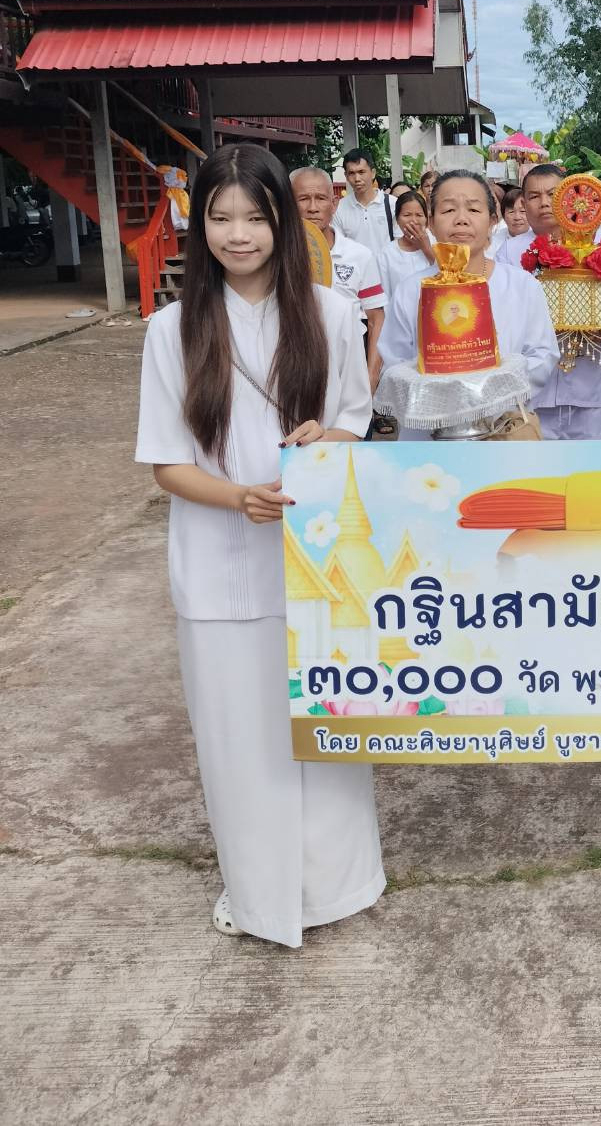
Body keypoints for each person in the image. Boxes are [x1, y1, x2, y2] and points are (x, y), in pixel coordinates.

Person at [134, 144, 383, 948]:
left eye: (254, 216)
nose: (238, 235)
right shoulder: (170, 330)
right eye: (219, 216)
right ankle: (261, 896)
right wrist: (235, 495)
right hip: (216, 571)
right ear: (196, 221)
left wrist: (328, 441)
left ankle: (339, 884)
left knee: (323, 728)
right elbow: (168, 462)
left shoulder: (332, 314)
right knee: (240, 741)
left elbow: (355, 415)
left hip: (315, 566)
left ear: (284, 218)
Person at [377, 170, 559, 437]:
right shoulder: (412, 290)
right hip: (427, 437)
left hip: (503, 430)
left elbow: (543, 356)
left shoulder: (522, 286)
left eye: (473, 210)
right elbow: (394, 363)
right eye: (449, 210)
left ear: (492, 220)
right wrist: (445, 392)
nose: (461, 220)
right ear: (431, 222)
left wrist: (485, 389)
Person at [496, 163, 601, 441]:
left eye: (552, 194)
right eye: (534, 196)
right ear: (523, 202)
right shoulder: (510, 251)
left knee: (591, 471)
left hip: (588, 382)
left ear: (569, 196)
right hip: (532, 389)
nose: (545, 203)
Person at [290, 166, 385, 383]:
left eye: (321, 199)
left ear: (334, 204)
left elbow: (376, 319)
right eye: (303, 199)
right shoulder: (276, 256)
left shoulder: (359, 255)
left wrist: (370, 377)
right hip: (296, 367)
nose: (312, 208)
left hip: (349, 365)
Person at [377, 188, 438, 302]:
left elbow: (446, 277)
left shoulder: (438, 245)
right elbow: (385, 295)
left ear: (426, 219)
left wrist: (426, 248)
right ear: (398, 219)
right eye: (407, 215)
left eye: (419, 215)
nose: (413, 220)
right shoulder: (387, 254)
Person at [334, 149, 396, 256]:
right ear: (346, 176)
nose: (357, 178)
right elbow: (339, 247)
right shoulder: (339, 208)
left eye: (361, 172)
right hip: (357, 271)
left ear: (373, 173)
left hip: (387, 271)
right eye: (351, 173)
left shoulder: (392, 204)